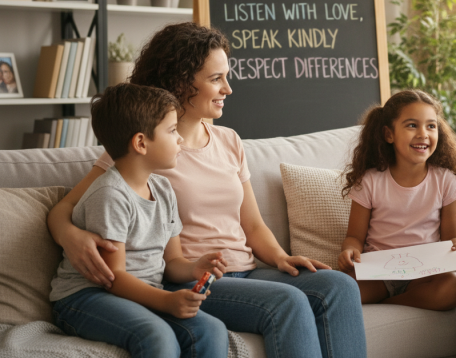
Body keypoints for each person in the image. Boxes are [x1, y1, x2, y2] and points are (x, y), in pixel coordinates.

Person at [47, 22, 366, 358]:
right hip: (189, 277)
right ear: (182, 82)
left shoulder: (229, 140)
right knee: (286, 303)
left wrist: (282, 257)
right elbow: (64, 209)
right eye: (216, 79)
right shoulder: (140, 152)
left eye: (226, 77)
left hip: (249, 271)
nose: (228, 89)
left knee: (339, 285)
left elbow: (253, 225)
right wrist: (71, 235)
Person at [50, 83, 229, 358]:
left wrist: (194, 268)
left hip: (143, 292)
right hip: (86, 298)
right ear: (141, 143)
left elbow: (172, 263)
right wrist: (167, 301)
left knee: (211, 330)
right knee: (156, 335)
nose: (180, 138)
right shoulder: (110, 194)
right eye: (172, 131)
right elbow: (113, 278)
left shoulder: (164, 189)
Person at [338, 89, 456, 311]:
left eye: (431, 126)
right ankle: (405, 298)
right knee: (339, 290)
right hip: (378, 273)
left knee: (455, 287)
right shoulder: (370, 180)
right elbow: (354, 237)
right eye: (412, 125)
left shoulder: (446, 180)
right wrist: (349, 251)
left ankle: (389, 304)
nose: (423, 134)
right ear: (389, 134)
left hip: (426, 273)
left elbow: (451, 241)